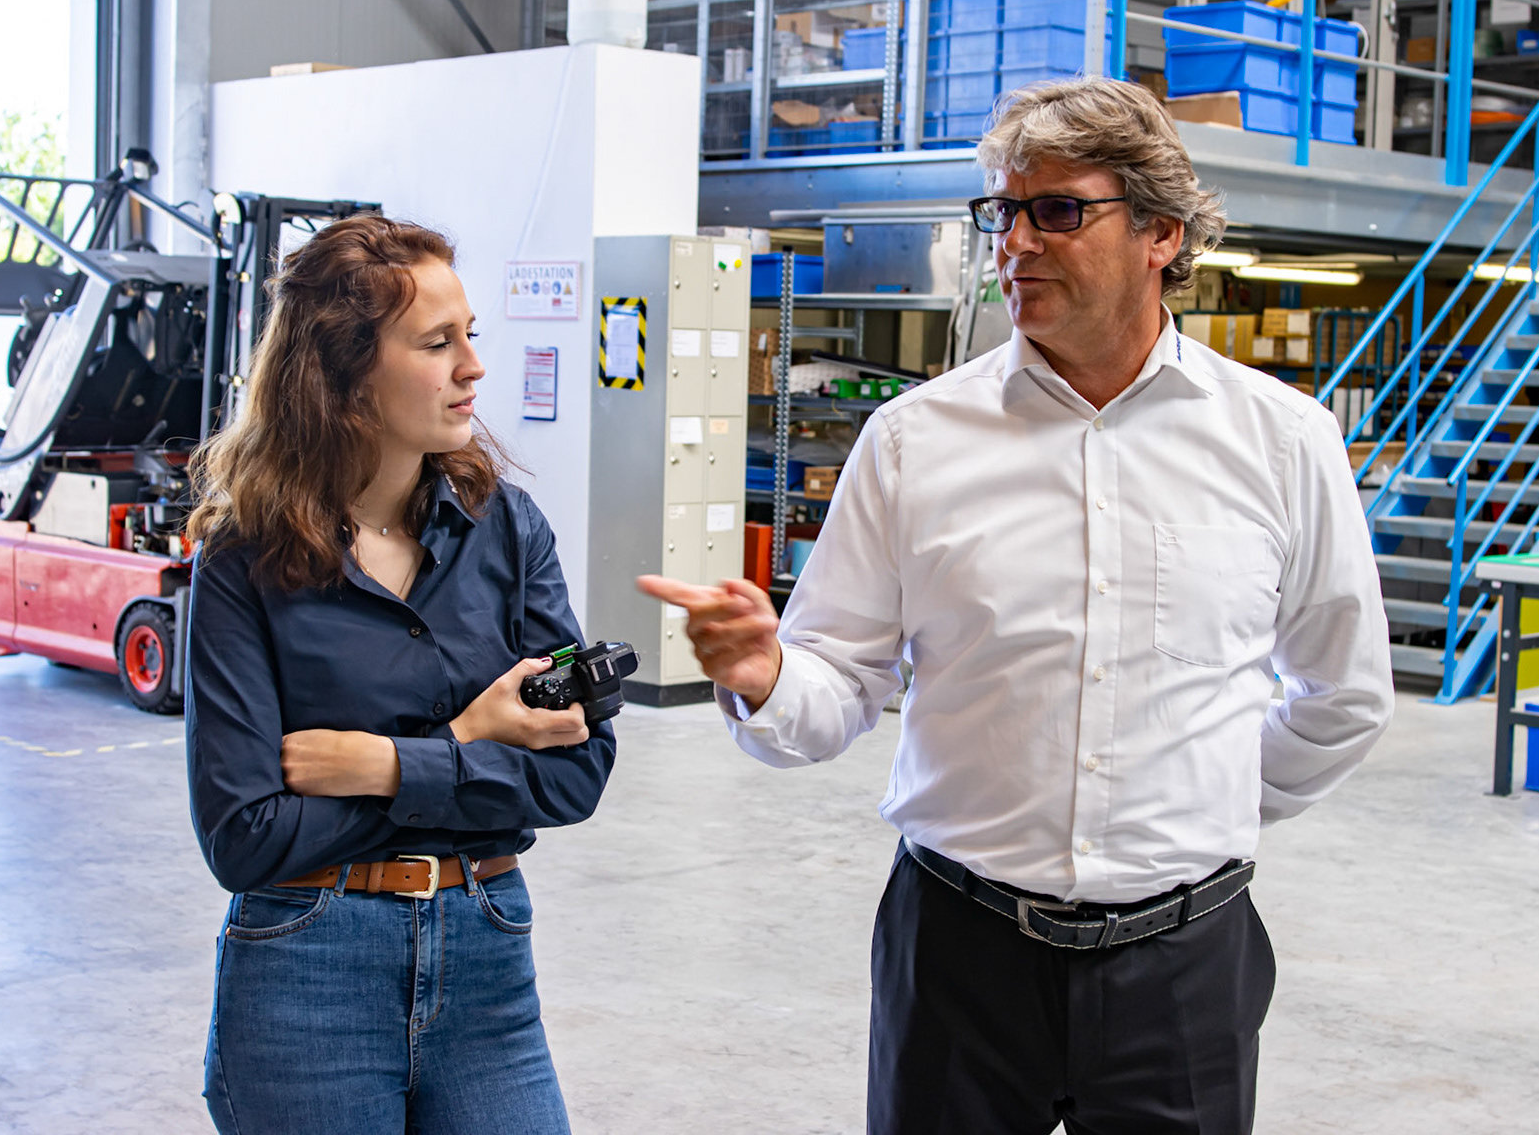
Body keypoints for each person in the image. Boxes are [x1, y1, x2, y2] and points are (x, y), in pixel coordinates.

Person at [640, 77, 1393, 1135]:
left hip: (1186, 965)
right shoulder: (913, 441)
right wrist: (768, 677)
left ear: (1162, 234)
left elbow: (1343, 693)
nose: (1017, 243)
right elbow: (837, 683)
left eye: (1059, 210)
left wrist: (1203, 803)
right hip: (960, 953)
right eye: (1003, 211)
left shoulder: (1281, 441)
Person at [184, 215, 613, 1134]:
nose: (474, 367)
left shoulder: (509, 531)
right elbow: (247, 839)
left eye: (470, 336)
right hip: (307, 965)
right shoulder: (243, 561)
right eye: (436, 342)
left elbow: (576, 775)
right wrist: (469, 739)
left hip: (488, 949)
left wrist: (379, 765)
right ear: (342, 372)